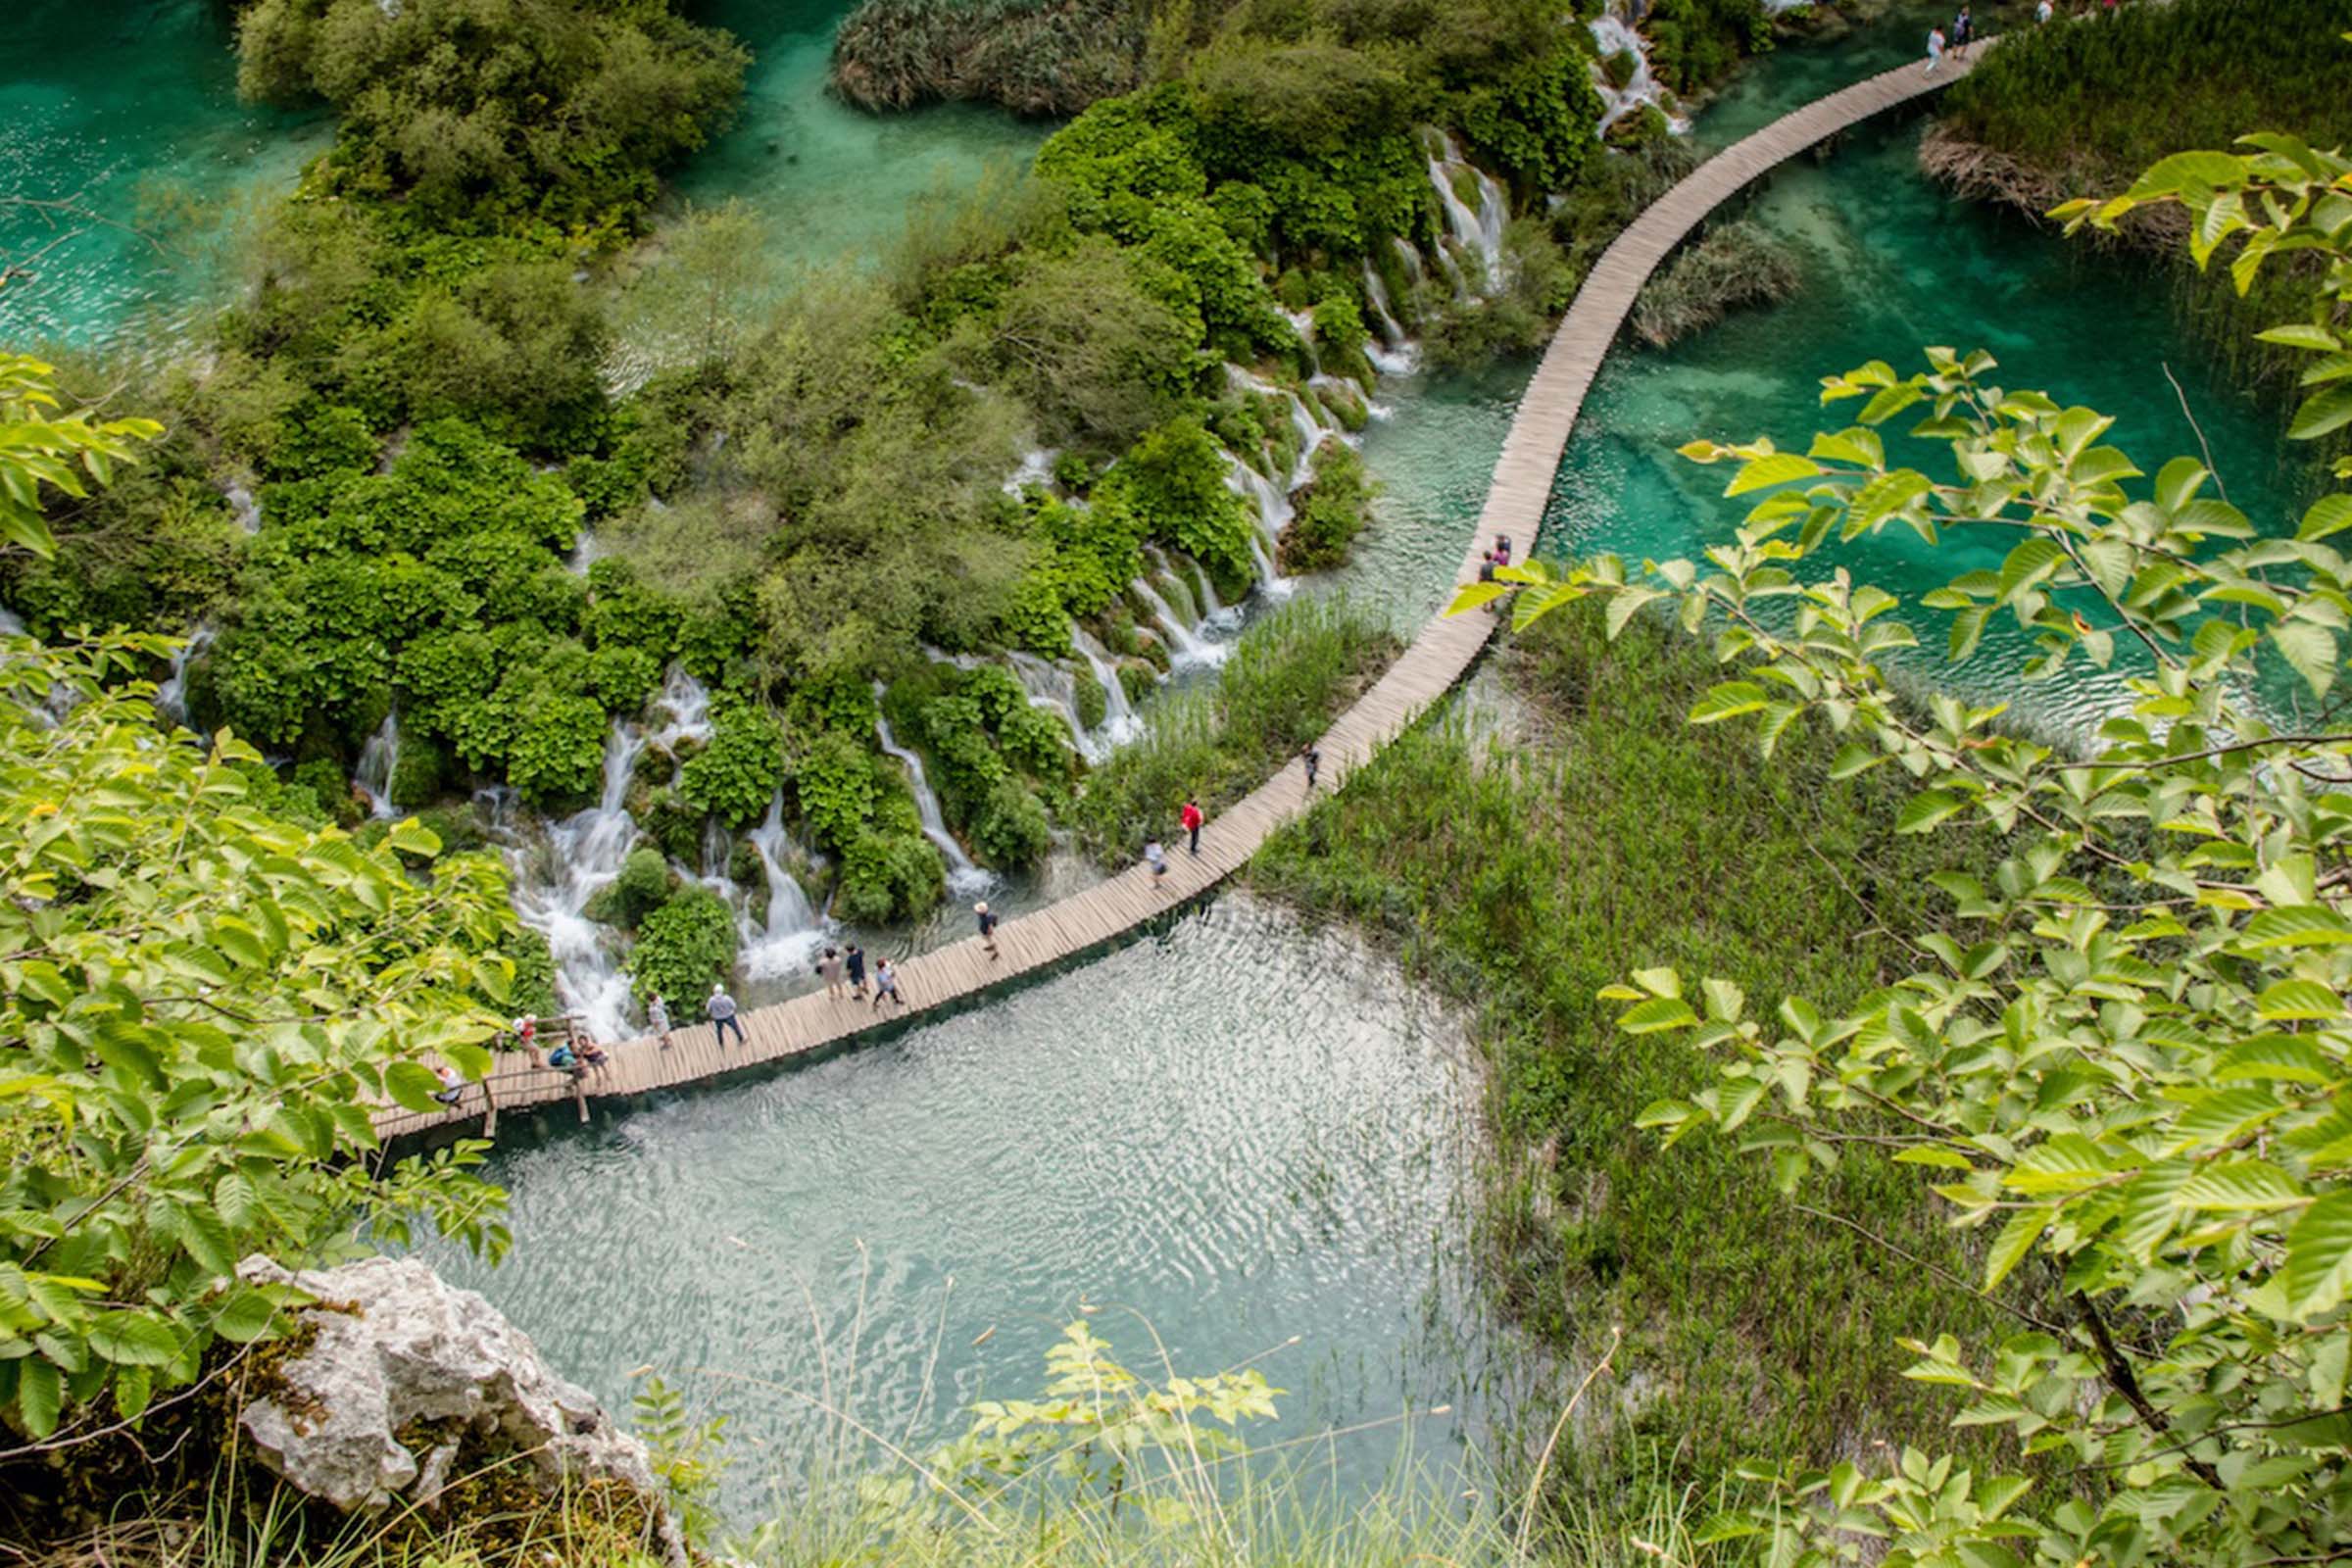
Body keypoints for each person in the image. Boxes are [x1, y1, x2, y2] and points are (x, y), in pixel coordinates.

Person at [709, 982, 746, 1049]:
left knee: (719, 1030)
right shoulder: (727, 998)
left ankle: (721, 1044)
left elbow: (708, 1009)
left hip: (718, 1018)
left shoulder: (711, 1000)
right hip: (729, 1016)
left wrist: (713, 1013)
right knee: (735, 1027)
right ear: (722, 991)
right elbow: (734, 1006)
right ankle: (741, 1039)